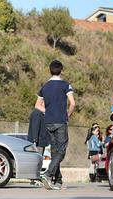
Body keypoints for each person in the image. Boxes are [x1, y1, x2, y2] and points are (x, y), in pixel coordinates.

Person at [35, 60, 76, 190]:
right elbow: (73, 103)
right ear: (61, 70)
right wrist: (67, 115)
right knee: (61, 151)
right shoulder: (65, 85)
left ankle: (58, 181)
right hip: (60, 121)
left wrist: (48, 112)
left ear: (50, 70)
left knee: (54, 151)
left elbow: (37, 105)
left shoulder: (45, 86)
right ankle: (47, 174)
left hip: (48, 121)